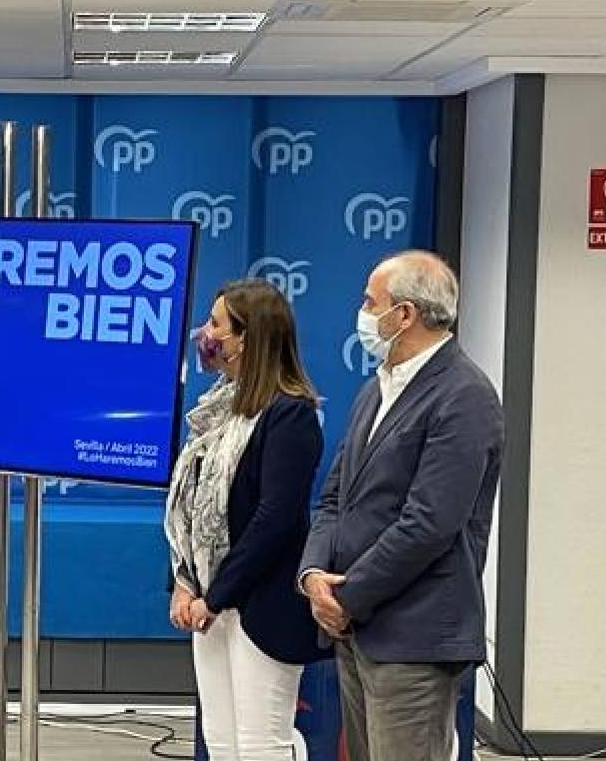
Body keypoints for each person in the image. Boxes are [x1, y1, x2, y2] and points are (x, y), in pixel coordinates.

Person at [299, 250, 504, 761]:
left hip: (413, 635)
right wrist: (314, 575)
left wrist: (349, 598)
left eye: (371, 302)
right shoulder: (376, 389)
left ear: (406, 314)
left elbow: (429, 523)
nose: (363, 313)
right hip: (353, 628)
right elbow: (334, 496)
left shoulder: (465, 395)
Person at [164, 278, 329, 761]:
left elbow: (275, 519)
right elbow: (188, 509)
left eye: (216, 324)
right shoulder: (215, 412)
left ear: (247, 339)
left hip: (261, 604)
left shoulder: (290, 415)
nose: (206, 334)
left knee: (261, 747)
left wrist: (217, 595)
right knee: (221, 744)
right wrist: (183, 583)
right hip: (208, 604)